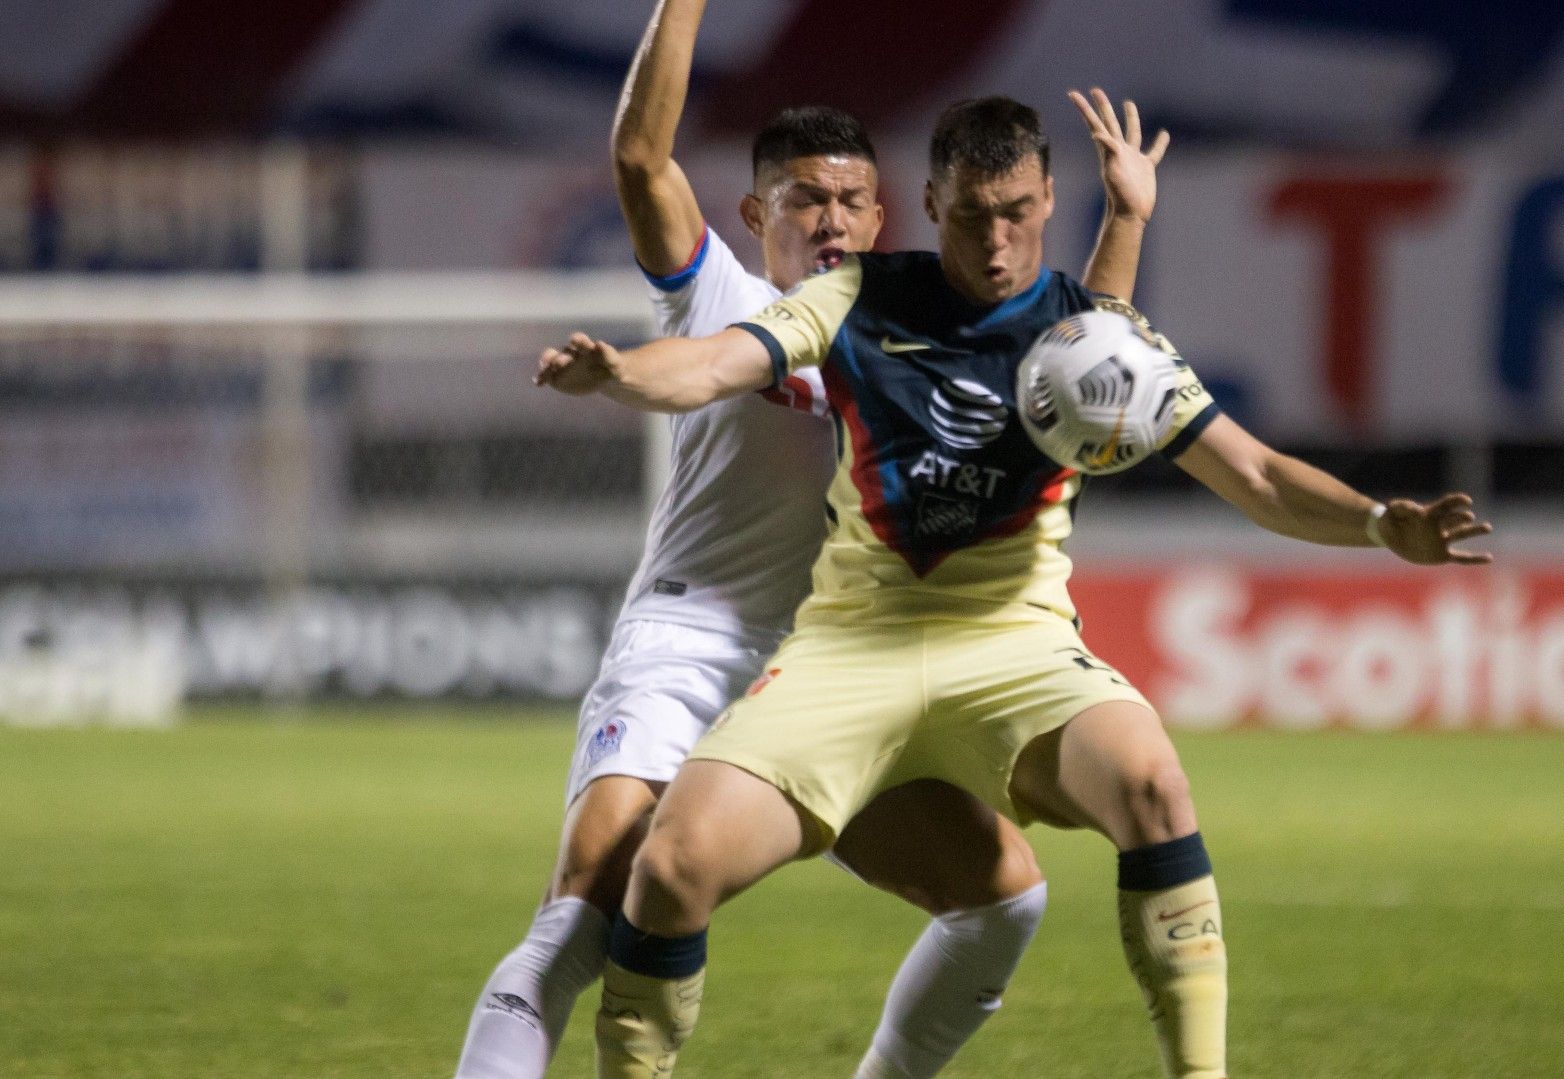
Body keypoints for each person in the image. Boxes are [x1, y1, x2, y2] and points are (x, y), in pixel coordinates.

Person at [537, 94, 1492, 1079]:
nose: (997, 243)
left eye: (1020, 213)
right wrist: (620, 374)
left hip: (1014, 647)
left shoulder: (1097, 338)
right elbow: (709, 362)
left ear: (1046, 199)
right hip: (849, 647)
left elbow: (1252, 472)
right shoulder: (858, 295)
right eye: (971, 216)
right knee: (673, 863)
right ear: (930, 201)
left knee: (1155, 783)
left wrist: (1381, 522)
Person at [456, 2, 1172, 1076]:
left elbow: (1082, 366)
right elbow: (640, 155)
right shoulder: (720, 295)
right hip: (688, 645)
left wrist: (1125, 218)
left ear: (886, 211)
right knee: (580, 921)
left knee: (1004, 896)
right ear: (755, 212)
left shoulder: (915, 329)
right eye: (803, 199)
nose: (829, 218)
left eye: (849, 198)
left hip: (832, 671)